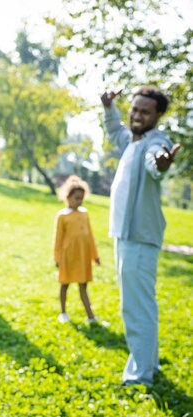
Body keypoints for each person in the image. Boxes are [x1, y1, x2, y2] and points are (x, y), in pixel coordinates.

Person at [101, 86, 181, 386]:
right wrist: (109, 107)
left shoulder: (155, 142)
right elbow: (115, 130)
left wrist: (162, 162)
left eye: (145, 111)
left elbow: (155, 161)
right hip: (125, 234)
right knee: (141, 303)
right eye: (134, 108)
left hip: (140, 236)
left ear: (158, 115)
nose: (137, 115)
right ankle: (150, 364)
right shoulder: (132, 140)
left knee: (135, 307)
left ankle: (139, 376)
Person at [53, 175, 100, 324]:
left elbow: (90, 236)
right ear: (68, 197)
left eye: (81, 198)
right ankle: (63, 312)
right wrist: (57, 258)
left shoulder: (84, 214)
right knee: (64, 285)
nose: (79, 201)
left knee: (83, 286)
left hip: (82, 256)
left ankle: (90, 315)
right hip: (68, 256)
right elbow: (58, 239)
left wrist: (95, 255)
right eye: (77, 198)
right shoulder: (62, 216)